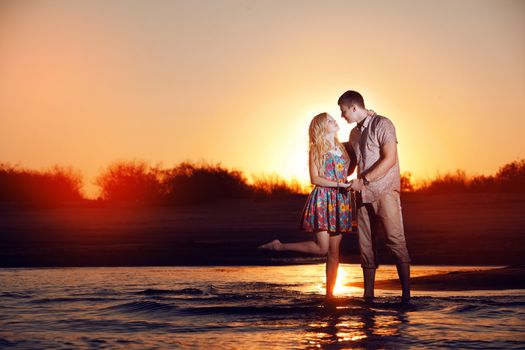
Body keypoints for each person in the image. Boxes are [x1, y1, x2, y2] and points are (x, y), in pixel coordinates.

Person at [259, 112, 354, 300]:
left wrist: (347, 184)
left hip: (340, 202)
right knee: (322, 248)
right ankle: (279, 247)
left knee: (334, 253)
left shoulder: (342, 148)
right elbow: (315, 178)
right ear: (321, 127)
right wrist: (338, 184)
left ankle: (330, 295)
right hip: (323, 199)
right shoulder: (316, 149)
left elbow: (348, 167)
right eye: (329, 120)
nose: (335, 120)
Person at [338, 90, 411, 303]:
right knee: (366, 247)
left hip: (385, 191)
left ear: (354, 107)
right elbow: (352, 165)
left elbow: (389, 159)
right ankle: (368, 297)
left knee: (395, 241)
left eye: (343, 111)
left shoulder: (383, 124)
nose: (342, 116)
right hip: (361, 196)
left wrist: (365, 181)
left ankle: (406, 296)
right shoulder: (353, 135)